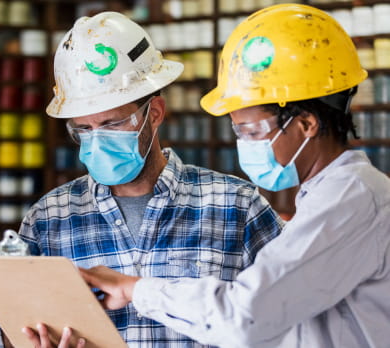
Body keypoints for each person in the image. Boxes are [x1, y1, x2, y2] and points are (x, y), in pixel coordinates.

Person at [80, 4, 390, 348]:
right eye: (238, 132)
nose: (245, 145)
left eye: (253, 131)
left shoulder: (352, 200)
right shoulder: (331, 197)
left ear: (306, 124)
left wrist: (134, 289)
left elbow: (246, 316)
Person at [0, 11, 284, 348]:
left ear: (154, 114)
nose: (97, 140)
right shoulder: (50, 218)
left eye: (111, 124)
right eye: (83, 129)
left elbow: (292, 316)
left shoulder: (236, 206)